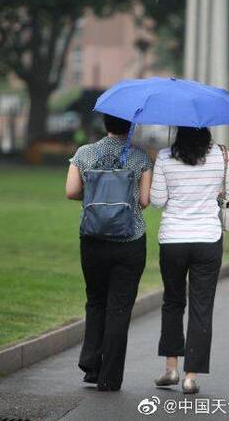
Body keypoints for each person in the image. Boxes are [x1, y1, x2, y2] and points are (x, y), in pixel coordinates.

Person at [150, 127, 229, 394]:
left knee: (172, 301)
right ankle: (191, 376)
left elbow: (157, 200)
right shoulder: (221, 155)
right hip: (207, 239)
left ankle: (170, 368)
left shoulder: (166, 156)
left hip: (173, 240)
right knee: (201, 307)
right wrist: (215, 196)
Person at [65, 113, 153, 391]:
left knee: (95, 301)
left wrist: (94, 194)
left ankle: (91, 363)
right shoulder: (140, 157)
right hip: (130, 241)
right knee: (119, 309)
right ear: (131, 127)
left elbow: (70, 192)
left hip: (92, 239)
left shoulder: (85, 153)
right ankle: (110, 377)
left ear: (105, 124)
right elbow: (144, 201)